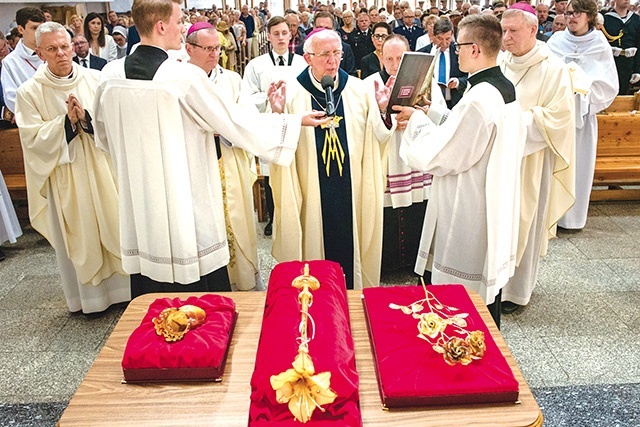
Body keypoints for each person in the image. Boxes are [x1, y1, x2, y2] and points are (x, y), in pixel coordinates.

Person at [93, 0, 328, 298]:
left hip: (140, 199)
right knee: (194, 277)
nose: (182, 28)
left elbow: (102, 137)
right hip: (184, 196)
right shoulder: (182, 77)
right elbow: (233, 122)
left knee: (152, 283)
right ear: (161, 26)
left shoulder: (110, 76)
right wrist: (293, 123)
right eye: (179, 22)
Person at [394, 14, 526, 326]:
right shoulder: (500, 86)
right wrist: (431, 114)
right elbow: (462, 130)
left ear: (476, 49)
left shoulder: (480, 98)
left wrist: (414, 121)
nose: (456, 52)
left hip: (469, 204)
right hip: (489, 196)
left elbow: (446, 154)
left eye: (459, 46)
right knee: (481, 296)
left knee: (460, 299)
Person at [15, 22, 129, 313]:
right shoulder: (29, 92)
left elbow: (114, 122)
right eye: (52, 49)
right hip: (66, 175)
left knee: (113, 221)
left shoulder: (95, 78)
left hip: (103, 168)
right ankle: (89, 301)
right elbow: (31, 138)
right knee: (81, 233)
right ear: (40, 52)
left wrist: (87, 119)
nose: (61, 54)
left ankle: (125, 291)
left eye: (64, 46)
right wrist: (66, 123)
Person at [269, 28, 394, 290]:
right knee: (315, 253)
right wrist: (278, 116)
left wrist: (383, 111)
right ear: (307, 58)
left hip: (353, 191)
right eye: (325, 54)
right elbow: (276, 145)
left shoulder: (360, 90)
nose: (333, 61)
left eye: (337, 53)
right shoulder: (290, 94)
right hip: (312, 193)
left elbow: (378, 138)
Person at [499, 7, 575, 313]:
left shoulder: (553, 68)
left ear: (533, 30)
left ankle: (517, 293)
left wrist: (512, 123)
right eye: (503, 31)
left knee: (524, 222)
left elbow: (559, 117)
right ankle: (495, 285)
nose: (506, 37)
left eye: (513, 31)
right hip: (498, 158)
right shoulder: (501, 62)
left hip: (531, 160)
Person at [185, 22, 263, 291]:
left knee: (237, 220)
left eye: (216, 48)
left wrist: (225, 130)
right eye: (207, 48)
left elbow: (248, 118)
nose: (214, 54)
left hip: (229, 159)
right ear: (189, 48)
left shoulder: (232, 80)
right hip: (195, 165)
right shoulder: (180, 81)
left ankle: (242, 279)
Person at [548, 0, 618, 230]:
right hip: (555, 117)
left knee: (578, 167)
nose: (571, 17)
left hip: (582, 118)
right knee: (552, 165)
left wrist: (583, 90)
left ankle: (572, 220)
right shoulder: (556, 41)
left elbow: (609, 84)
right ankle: (550, 217)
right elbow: (545, 73)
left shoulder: (600, 45)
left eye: (577, 13)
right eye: (568, 13)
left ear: (589, 15)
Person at [364, 35, 431, 272]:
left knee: (416, 208)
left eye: (400, 58)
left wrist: (418, 114)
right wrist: (387, 116)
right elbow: (366, 122)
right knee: (388, 211)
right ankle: (389, 264)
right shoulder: (369, 83)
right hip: (388, 157)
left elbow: (438, 112)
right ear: (380, 58)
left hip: (414, 158)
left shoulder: (425, 79)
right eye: (388, 58)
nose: (393, 64)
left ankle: (415, 262)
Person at [241, 16, 308, 237]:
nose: (280, 37)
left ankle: (301, 214)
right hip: (270, 125)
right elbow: (247, 97)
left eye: (284, 33)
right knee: (273, 173)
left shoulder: (302, 63)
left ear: (291, 35)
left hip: (298, 124)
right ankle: (273, 217)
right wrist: (269, 97)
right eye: (276, 33)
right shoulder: (256, 65)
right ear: (268, 36)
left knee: (300, 169)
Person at [1, 7, 45, 117]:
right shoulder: (10, 62)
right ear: (21, 29)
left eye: (42, 28)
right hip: (31, 119)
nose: (39, 33)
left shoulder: (54, 53)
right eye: (34, 28)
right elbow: (12, 99)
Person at [417, 18, 468, 108]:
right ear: (433, 36)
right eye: (440, 38)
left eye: (447, 39)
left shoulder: (459, 52)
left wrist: (458, 82)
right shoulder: (422, 53)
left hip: (454, 104)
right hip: (429, 104)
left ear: (452, 35)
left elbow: (468, 76)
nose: (444, 43)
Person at [602, 0, 640, 94]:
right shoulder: (605, 18)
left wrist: (637, 70)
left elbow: (638, 45)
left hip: (628, 63)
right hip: (610, 62)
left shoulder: (636, 19)